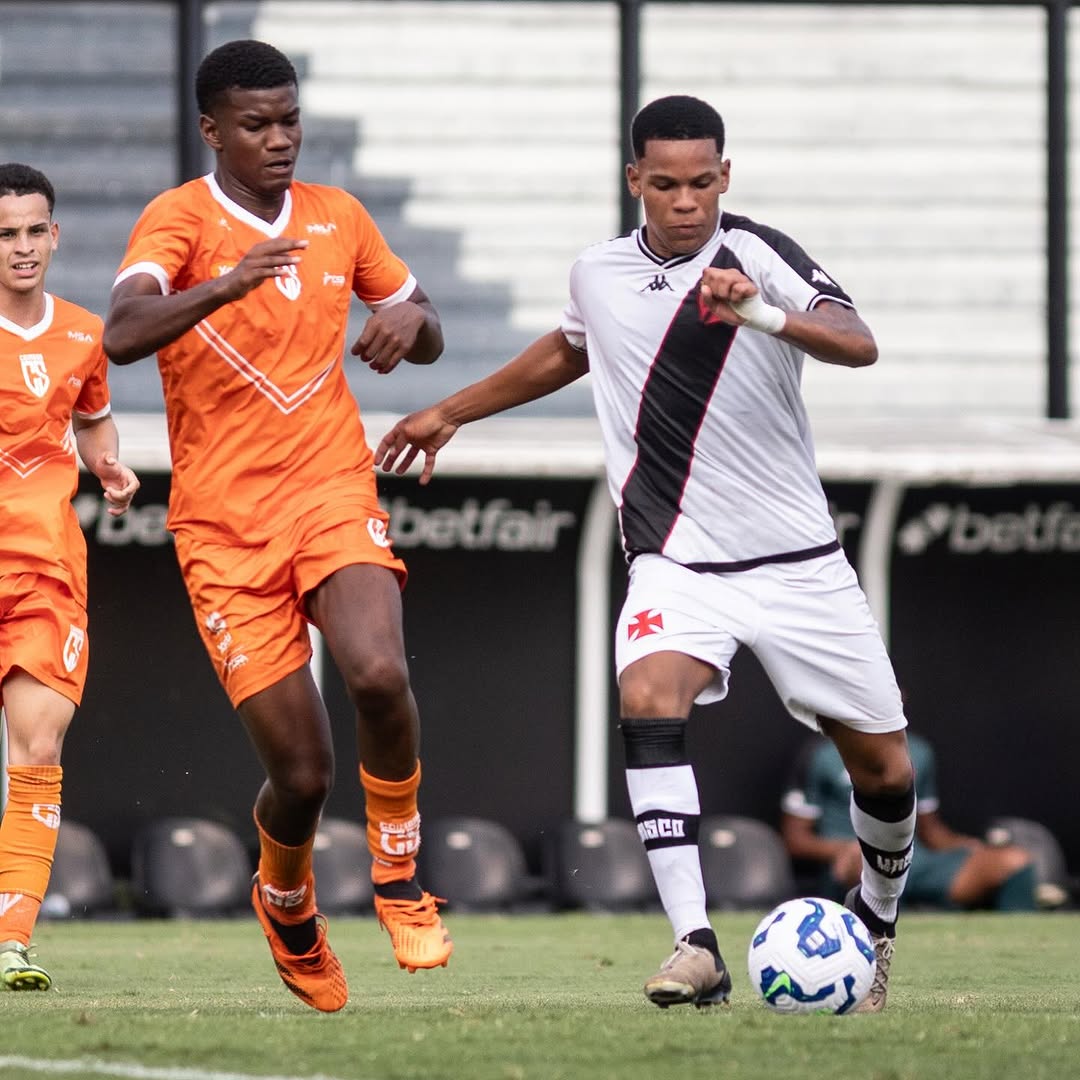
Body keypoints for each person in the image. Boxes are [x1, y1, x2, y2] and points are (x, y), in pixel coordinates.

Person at [375, 94, 915, 1013]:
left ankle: (878, 921)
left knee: (888, 773)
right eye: (666, 184)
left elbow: (859, 344)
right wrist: (449, 411)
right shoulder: (599, 273)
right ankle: (695, 943)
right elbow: (569, 351)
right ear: (635, 180)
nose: (686, 201)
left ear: (726, 175)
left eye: (703, 181)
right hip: (675, 559)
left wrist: (765, 316)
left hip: (799, 563)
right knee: (646, 696)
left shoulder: (758, 255)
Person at [102, 40, 451, 1014]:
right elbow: (122, 334)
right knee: (302, 774)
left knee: (377, 671)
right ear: (212, 130)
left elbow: (423, 324)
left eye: (289, 119)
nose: (279, 139)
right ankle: (285, 898)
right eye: (255, 124)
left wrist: (410, 324)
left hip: (331, 486)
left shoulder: (339, 216)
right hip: (222, 527)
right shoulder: (179, 220)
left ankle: (398, 876)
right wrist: (225, 283)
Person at [0, 163, 140, 991]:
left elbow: (93, 422)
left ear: (54, 235)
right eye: (4, 234)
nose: (21, 248)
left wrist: (109, 466)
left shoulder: (85, 334)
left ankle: (10, 938)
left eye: (33, 231)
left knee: (40, 747)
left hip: (45, 570)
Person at [781, 729, 1040, 911]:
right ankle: (881, 944)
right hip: (854, 859)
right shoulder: (820, 752)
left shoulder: (918, 751)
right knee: (867, 861)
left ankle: (1020, 950)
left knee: (1014, 860)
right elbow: (796, 839)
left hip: (913, 859)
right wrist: (844, 849)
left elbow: (931, 831)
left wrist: (965, 845)